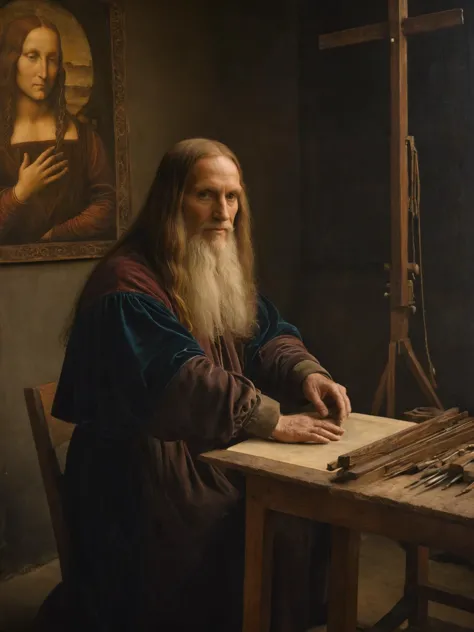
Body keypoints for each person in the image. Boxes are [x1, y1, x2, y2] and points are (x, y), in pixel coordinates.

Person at [36, 138, 351, 632]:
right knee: (240, 521)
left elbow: (266, 332)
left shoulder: (212, 265)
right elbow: (179, 378)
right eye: (206, 195)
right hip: (138, 468)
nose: (223, 212)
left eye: (232, 197)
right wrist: (272, 420)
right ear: (172, 200)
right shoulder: (126, 283)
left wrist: (306, 372)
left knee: (297, 512)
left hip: (206, 447)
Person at [0, 15, 115, 246]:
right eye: (32, 57)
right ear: (12, 60)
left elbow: (107, 205)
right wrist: (20, 192)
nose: (44, 71)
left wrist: (57, 234)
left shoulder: (83, 137)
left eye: (52, 59)